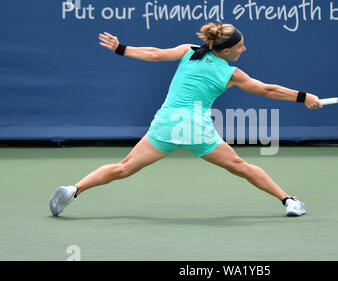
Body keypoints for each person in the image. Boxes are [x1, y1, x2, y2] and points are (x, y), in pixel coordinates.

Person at [49, 22, 323, 218]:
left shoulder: (189, 50)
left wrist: (121, 48)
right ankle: (289, 201)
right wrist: (303, 96)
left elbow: (153, 54)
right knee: (240, 166)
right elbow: (267, 90)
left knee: (123, 168)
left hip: (167, 123)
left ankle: (74, 189)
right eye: (240, 46)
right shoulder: (231, 73)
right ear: (226, 51)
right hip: (195, 130)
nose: (244, 49)